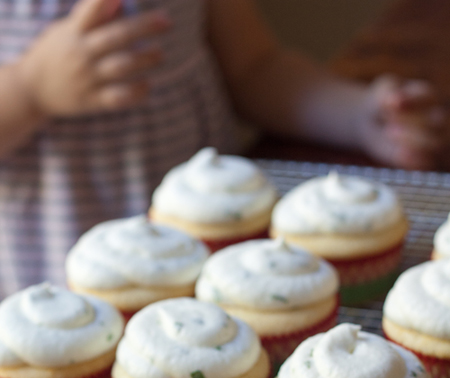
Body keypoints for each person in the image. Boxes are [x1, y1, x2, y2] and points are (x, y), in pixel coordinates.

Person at [0, 0, 444, 298]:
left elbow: (255, 68)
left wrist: (357, 116)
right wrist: (29, 89)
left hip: (221, 254)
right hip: (52, 272)